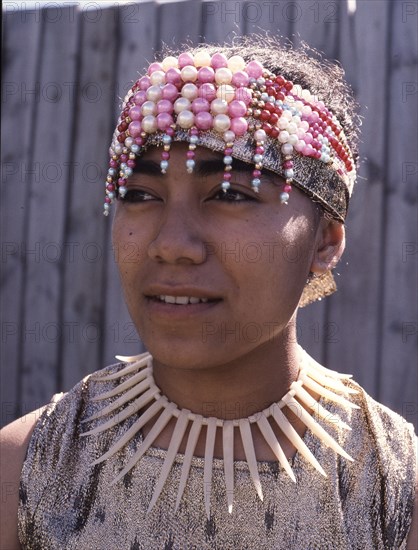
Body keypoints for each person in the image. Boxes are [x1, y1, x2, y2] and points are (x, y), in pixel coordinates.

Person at [1, 35, 417, 549]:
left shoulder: (394, 492)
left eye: (229, 195)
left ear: (324, 241)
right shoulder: (25, 468)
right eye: (140, 195)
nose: (172, 245)